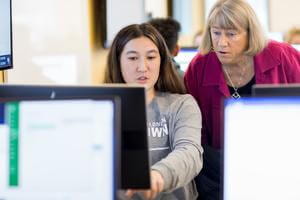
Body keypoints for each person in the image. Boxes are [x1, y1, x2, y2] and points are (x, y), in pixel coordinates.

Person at [184, 0, 300, 199]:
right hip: (217, 171)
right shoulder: (199, 67)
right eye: (216, 32)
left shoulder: (282, 55)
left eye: (231, 34)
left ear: (250, 34)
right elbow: (193, 130)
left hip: (281, 162)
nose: (222, 42)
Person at [104, 23, 203, 200]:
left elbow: (190, 152)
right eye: (133, 58)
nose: (143, 67)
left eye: (151, 57)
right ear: (118, 62)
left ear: (162, 60)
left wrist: (158, 175)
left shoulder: (182, 105)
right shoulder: (103, 109)